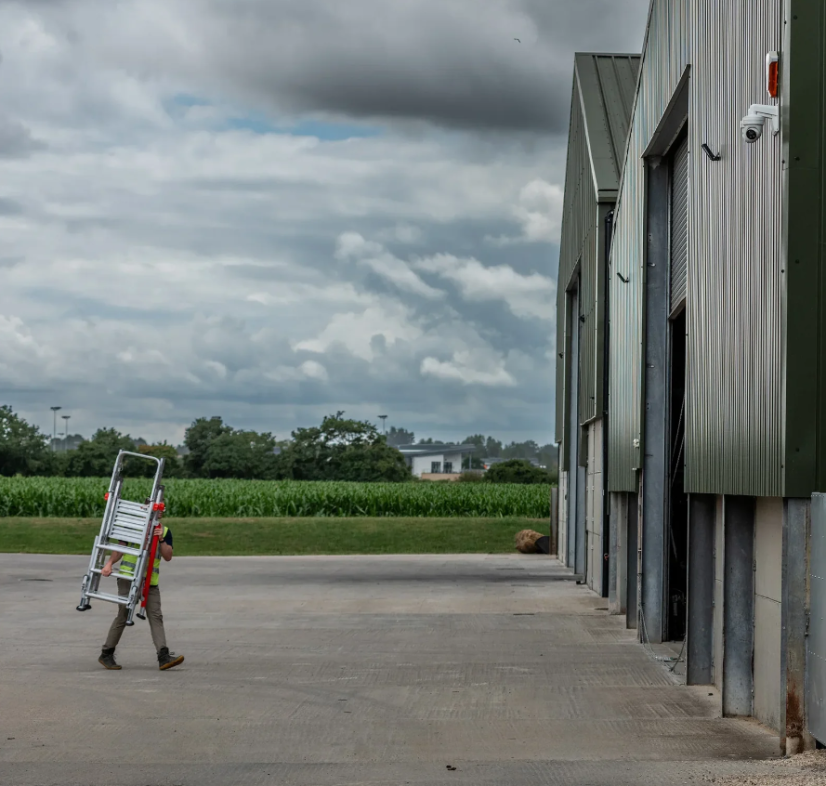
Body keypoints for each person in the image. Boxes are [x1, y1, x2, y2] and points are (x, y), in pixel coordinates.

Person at [97, 508, 184, 671]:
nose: (159, 512)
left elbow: (168, 556)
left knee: (156, 616)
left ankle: (163, 656)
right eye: (156, 508)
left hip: (150, 582)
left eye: (161, 509)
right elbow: (120, 549)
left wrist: (161, 539)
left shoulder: (165, 531)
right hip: (128, 578)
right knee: (123, 615)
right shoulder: (134, 527)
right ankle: (106, 653)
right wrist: (109, 564)